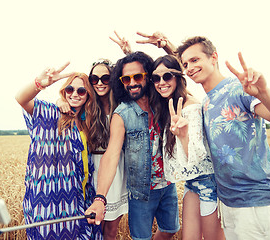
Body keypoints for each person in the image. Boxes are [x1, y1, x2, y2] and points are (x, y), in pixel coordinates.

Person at [176, 36, 270, 239]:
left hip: (255, 202)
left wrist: (264, 93)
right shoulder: (206, 102)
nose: (189, 67)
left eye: (195, 60)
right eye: (185, 64)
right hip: (228, 202)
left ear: (214, 58)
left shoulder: (239, 89)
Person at [85, 52, 180, 240]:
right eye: (126, 79)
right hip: (141, 191)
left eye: (138, 76)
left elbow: (178, 77)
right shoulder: (122, 114)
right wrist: (100, 198)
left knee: (170, 229)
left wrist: (165, 45)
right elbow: (111, 155)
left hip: (168, 184)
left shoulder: (162, 102)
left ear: (148, 76)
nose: (132, 83)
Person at [15, 63, 102, 240]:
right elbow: (21, 99)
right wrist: (39, 83)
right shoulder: (50, 114)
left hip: (80, 200)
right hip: (48, 206)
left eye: (81, 91)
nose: (75, 94)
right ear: (64, 91)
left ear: (88, 96)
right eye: (70, 89)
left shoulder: (88, 125)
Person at [151, 54, 225, 239]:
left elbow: (197, 154)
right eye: (156, 78)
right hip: (192, 183)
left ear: (178, 77)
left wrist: (183, 136)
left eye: (167, 76)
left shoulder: (189, 106)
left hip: (209, 183)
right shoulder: (170, 105)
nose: (161, 82)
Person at [57, 59, 128, 240]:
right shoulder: (88, 106)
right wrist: (60, 100)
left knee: (111, 230)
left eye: (105, 78)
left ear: (113, 79)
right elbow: (68, 99)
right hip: (90, 169)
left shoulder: (122, 105)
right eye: (94, 78)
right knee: (93, 227)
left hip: (115, 167)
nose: (99, 82)